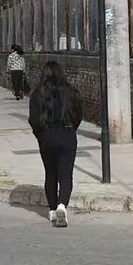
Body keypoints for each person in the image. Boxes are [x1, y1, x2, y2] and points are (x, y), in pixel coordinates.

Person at [28, 61, 83, 228]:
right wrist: (72, 129)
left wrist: (40, 136)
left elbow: (34, 120)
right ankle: (62, 206)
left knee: (50, 174)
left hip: (47, 137)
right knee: (66, 175)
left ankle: (52, 210)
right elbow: (78, 115)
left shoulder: (37, 94)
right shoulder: (71, 92)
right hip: (67, 135)